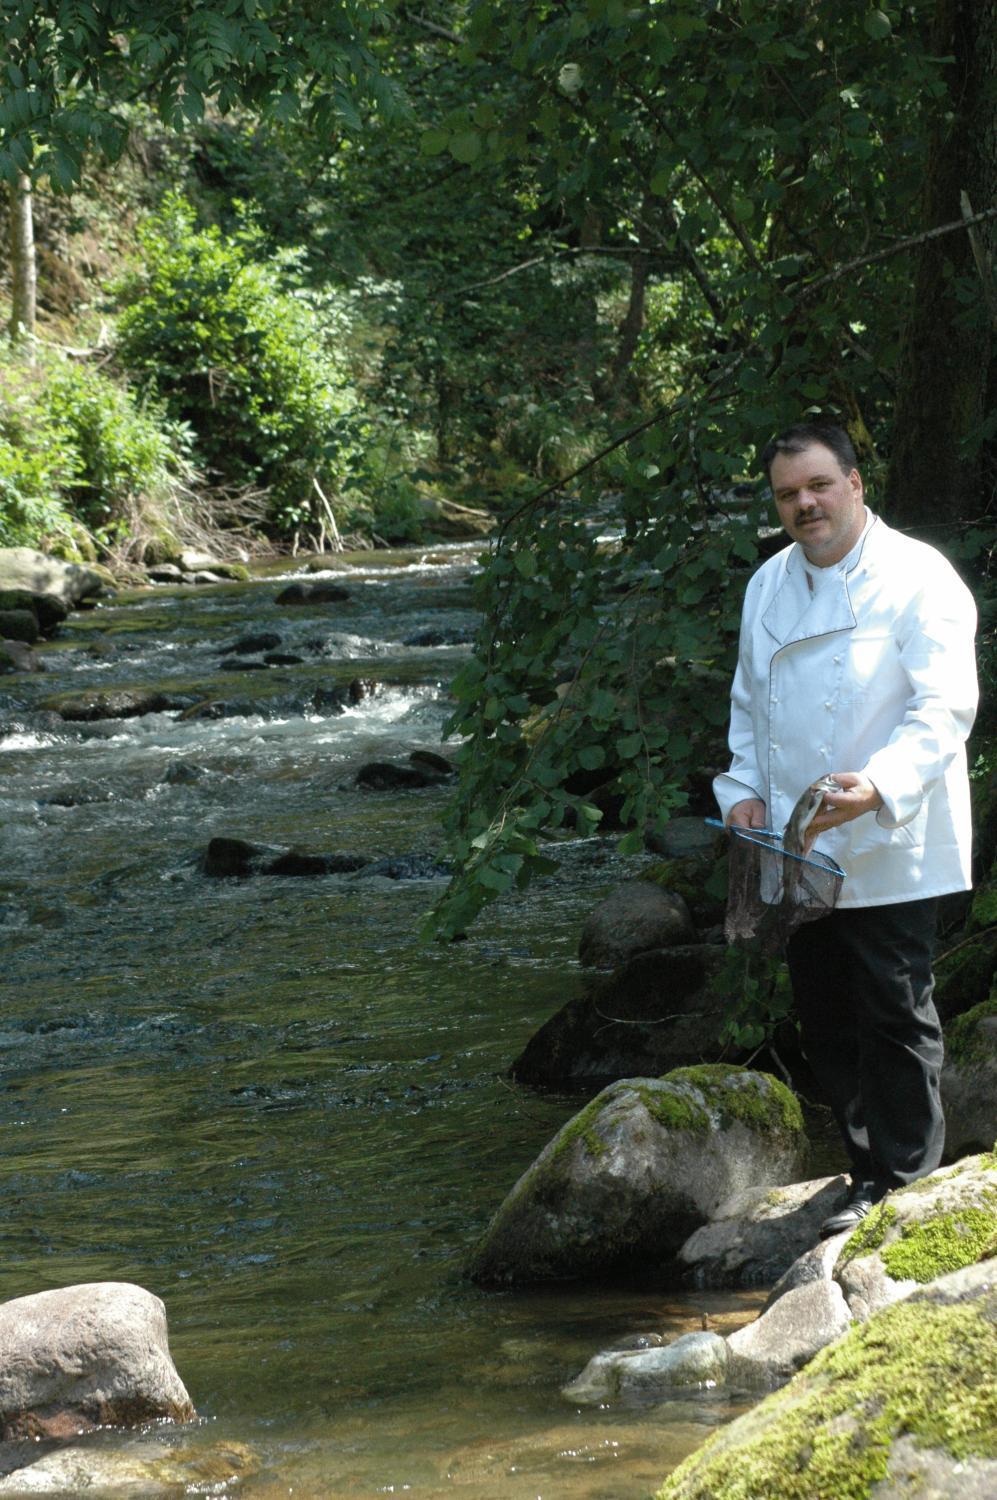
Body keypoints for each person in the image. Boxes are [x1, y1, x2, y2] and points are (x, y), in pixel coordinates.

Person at [713, 421, 978, 1237]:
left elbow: (945, 710)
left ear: (855, 484)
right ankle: (864, 1170)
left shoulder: (919, 578)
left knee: (894, 1011)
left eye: (818, 486)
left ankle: (904, 1188)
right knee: (823, 1011)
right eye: (788, 494)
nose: (804, 505)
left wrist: (880, 785)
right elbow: (750, 708)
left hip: (892, 834)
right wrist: (743, 792)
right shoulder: (766, 585)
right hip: (796, 841)